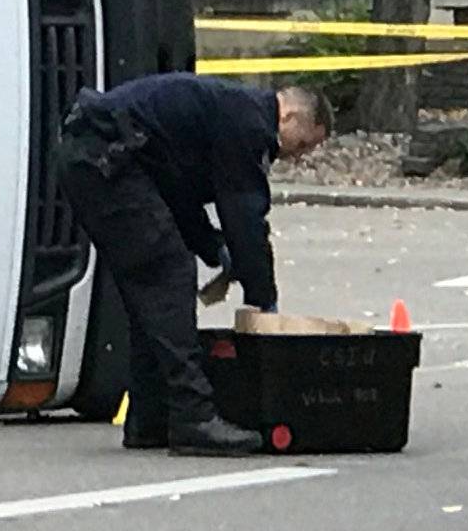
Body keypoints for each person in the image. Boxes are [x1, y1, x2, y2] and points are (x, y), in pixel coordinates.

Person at [55, 74, 332, 457]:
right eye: (302, 144)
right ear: (287, 116)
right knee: (167, 275)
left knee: (149, 290)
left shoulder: (227, 114)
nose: (296, 156)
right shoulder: (251, 123)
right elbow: (245, 214)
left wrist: (213, 247)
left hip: (97, 156)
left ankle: (150, 418)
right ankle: (193, 417)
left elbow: (174, 192)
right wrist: (263, 300)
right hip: (107, 159)